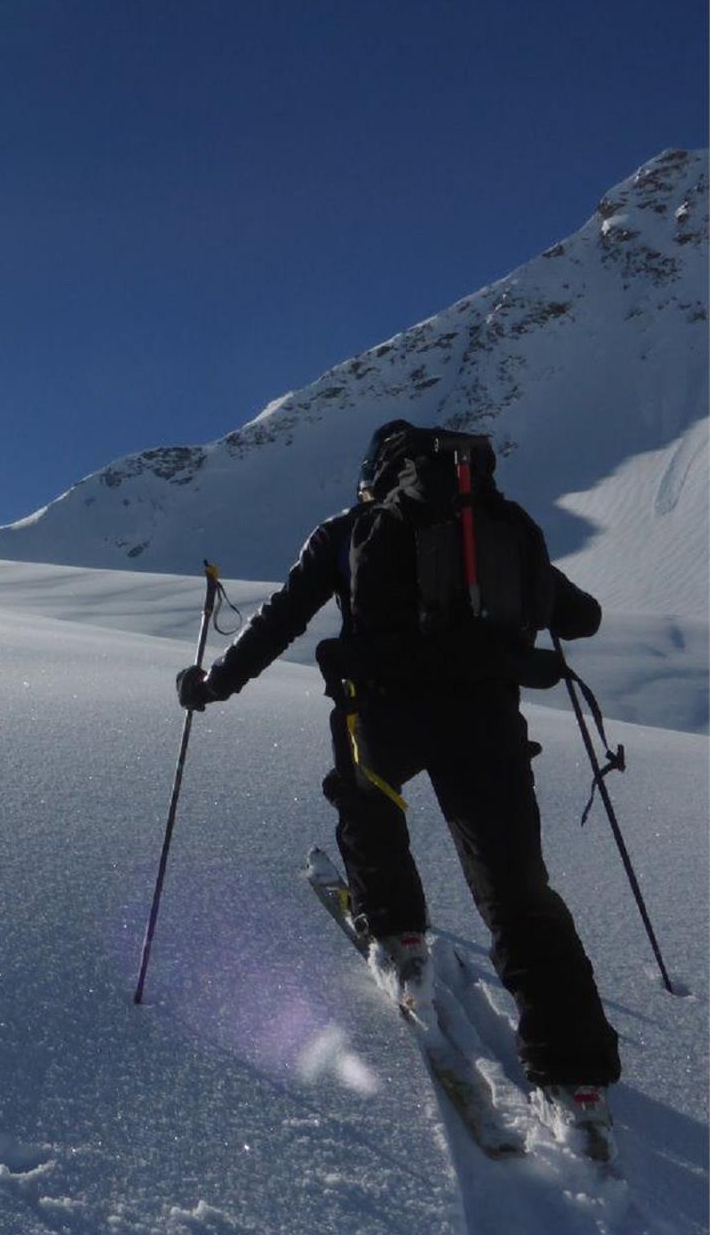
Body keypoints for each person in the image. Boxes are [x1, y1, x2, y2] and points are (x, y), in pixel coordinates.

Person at [173, 419, 621, 1127]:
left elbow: (279, 621)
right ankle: (577, 1074)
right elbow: (584, 618)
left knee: (366, 804)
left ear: (378, 470)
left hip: (384, 716)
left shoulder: (351, 530)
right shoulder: (503, 526)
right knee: (515, 887)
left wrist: (212, 683)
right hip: (489, 726)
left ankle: (400, 934)